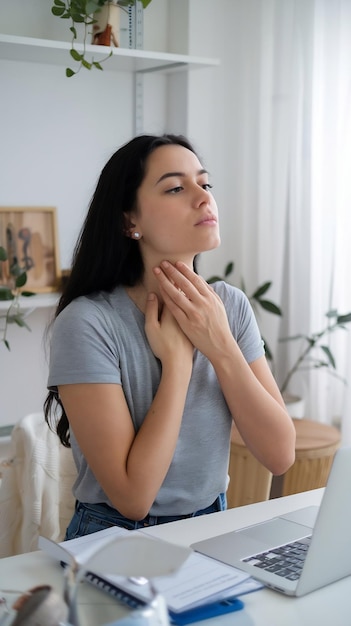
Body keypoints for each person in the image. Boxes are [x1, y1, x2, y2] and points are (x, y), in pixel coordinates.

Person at [44, 133, 296, 539]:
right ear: (130, 221)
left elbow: (280, 455)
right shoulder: (88, 323)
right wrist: (178, 364)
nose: (203, 197)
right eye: (176, 188)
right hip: (117, 536)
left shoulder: (229, 307)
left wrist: (220, 346)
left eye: (205, 183)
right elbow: (133, 497)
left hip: (214, 524)